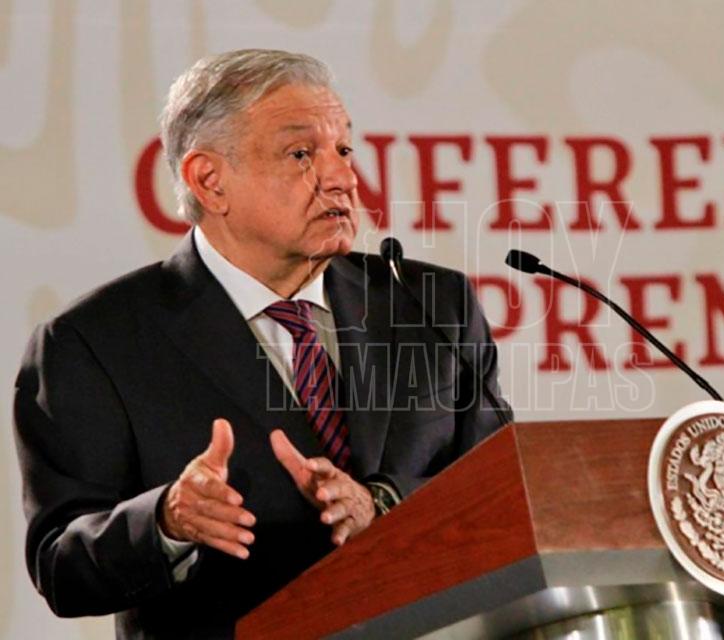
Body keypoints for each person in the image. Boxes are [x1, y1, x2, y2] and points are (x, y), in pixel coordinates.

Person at [13, 49, 510, 639]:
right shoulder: (94, 343)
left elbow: (506, 490)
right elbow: (61, 563)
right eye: (301, 154)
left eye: (343, 149)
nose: (342, 178)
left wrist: (382, 503)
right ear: (209, 180)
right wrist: (166, 520)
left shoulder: (431, 306)